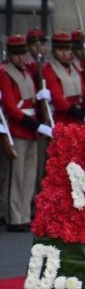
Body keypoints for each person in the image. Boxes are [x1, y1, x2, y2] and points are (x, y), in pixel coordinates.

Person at [0, 34, 51, 232]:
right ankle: (14, 217)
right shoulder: (5, 74)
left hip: (31, 129)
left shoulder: (28, 72)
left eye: (23, 53)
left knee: (30, 175)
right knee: (17, 176)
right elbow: (12, 109)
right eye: (17, 54)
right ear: (10, 55)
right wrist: (35, 125)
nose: (21, 57)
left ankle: (24, 213)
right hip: (18, 128)